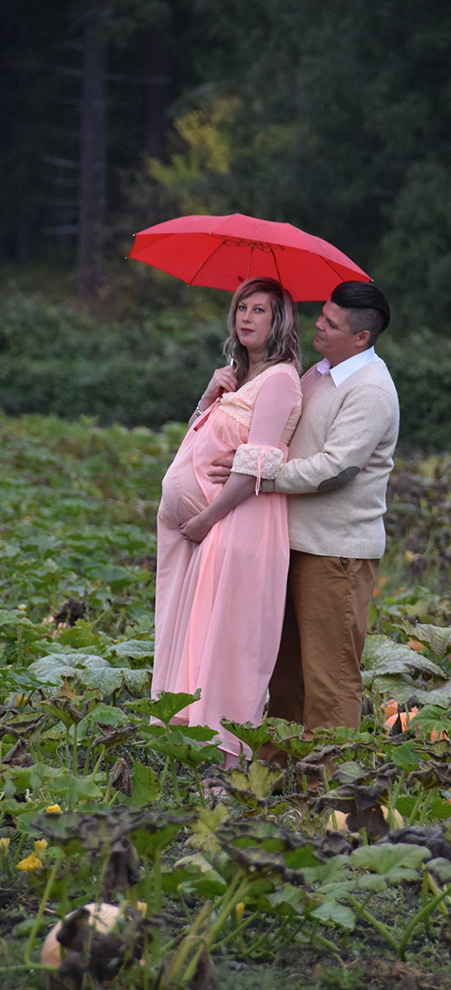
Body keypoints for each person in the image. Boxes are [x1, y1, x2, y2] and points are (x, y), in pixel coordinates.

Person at [210, 280, 399, 754]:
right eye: (322, 315)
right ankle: (276, 772)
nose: (318, 325)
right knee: (284, 671)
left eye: (331, 323)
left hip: (335, 552)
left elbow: (336, 469)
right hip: (291, 542)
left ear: (361, 337)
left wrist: (257, 476)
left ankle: (330, 786)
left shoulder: (371, 389)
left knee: (329, 677)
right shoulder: (319, 373)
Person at [152, 277, 302, 768]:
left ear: (278, 322)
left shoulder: (280, 380)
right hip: (214, 526)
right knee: (203, 632)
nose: (246, 317)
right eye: (242, 307)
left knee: (230, 639)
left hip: (240, 521)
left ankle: (227, 762)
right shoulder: (238, 377)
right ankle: (196, 751)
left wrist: (205, 519)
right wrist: (208, 395)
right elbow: (196, 441)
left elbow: (256, 467)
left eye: (259, 310)